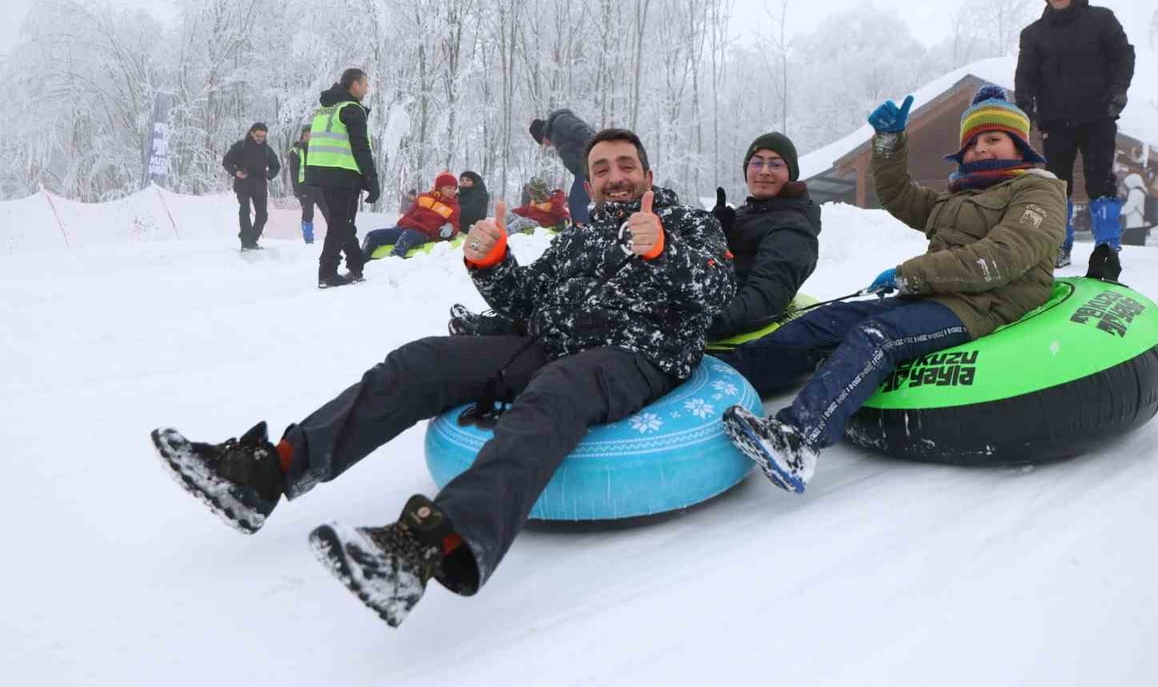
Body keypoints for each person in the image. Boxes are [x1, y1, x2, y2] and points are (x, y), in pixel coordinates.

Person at [149, 128, 734, 627]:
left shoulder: (686, 223)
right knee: (421, 360)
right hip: (550, 344)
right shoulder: (579, 237)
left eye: (625, 165)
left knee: (555, 391)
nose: (614, 177)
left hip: (635, 353)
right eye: (601, 169)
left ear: (647, 173)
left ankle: (430, 546)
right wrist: (492, 261)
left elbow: (719, 289)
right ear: (589, 183)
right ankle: (270, 471)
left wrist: (664, 251)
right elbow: (527, 301)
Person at [719, 86, 1066, 493]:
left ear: (1019, 145)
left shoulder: (1038, 191)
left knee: (877, 337)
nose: (981, 150)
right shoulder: (958, 197)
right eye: (973, 143)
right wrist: (888, 143)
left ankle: (798, 439)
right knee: (822, 322)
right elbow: (898, 194)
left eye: (993, 139)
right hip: (934, 296)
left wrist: (909, 274)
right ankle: (722, 377)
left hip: (985, 305)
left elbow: (1001, 257)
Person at [1015, 0, 1134, 275]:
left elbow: (1125, 55)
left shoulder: (1101, 20)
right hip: (1055, 122)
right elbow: (1025, 77)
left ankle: (1107, 246)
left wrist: (1118, 93)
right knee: (1057, 184)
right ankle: (1059, 244)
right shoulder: (1034, 35)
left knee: (1101, 181)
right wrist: (1025, 110)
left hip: (1099, 117)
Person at [708, 132, 821, 341]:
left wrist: (699, 325)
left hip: (731, 332)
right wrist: (712, 233)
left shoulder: (792, 227)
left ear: (790, 173)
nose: (765, 171)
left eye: (776, 165)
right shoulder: (749, 213)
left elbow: (764, 298)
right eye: (757, 163)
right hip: (711, 304)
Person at [306, 69, 380, 288]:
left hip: (321, 173)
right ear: (354, 85)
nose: (367, 88)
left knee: (342, 222)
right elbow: (361, 147)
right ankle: (327, 273)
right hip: (342, 173)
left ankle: (356, 265)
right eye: (364, 84)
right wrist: (371, 178)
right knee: (340, 224)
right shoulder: (351, 109)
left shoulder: (326, 108)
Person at [362, 172, 461, 259]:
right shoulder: (423, 197)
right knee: (372, 235)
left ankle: (393, 261)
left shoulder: (453, 207)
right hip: (405, 228)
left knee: (408, 236)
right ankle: (361, 262)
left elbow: (455, 224)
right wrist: (400, 224)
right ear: (439, 187)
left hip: (424, 233)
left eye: (454, 189)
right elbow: (409, 213)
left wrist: (450, 228)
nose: (452, 191)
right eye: (449, 188)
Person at [222, 122, 280, 251]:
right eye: (258, 135)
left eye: (263, 136)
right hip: (243, 184)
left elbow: (276, 166)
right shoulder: (240, 146)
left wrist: (269, 174)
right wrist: (235, 172)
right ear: (252, 133)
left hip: (260, 185)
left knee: (262, 215)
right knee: (245, 211)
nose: (260, 139)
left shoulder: (267, 150)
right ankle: (245, 242)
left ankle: (252, 240)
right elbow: (226, 161)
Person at [529, 108, 593, 224]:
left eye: (543, 142)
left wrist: (596, 153)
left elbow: (583, 131)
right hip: (582, 170)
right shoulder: (555, 134)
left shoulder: (560, 122)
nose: (547, 146)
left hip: (589, 166)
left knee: (577, 201)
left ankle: (582, 230)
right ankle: (583, 227)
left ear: (543, 134)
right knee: (576, 200)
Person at [287, 128, 329, 245]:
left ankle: (334, 236)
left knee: (328, 211)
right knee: (308, 212)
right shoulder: (296, 151)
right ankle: (308, 238)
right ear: (302, 137)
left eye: (311, 135)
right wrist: (296, 189)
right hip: (304, 187)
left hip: (320, 187)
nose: (309, 138)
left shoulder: (320, 149)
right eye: (306, 135)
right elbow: (294, 171)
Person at [505, 177, 571, 234]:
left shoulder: (553, 203)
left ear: (539, 192)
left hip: (540, 224)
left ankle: (503, 234)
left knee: (521, 221)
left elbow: (564, 214)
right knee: (509, 216)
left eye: (533, 191)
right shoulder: (536, 199)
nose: (531, 193)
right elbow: (525, 209)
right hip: (530, 220)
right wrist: (513, 212)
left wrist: (563, 222)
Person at [1120, 171, 1152, 246]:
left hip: (1134, 225)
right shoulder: (1144, 191)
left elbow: (1129, 208)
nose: (1127, 186)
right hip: (1142, 225)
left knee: (1131, 247)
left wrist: (1116, 211)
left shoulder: (1135, 192)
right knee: (1138, 247)